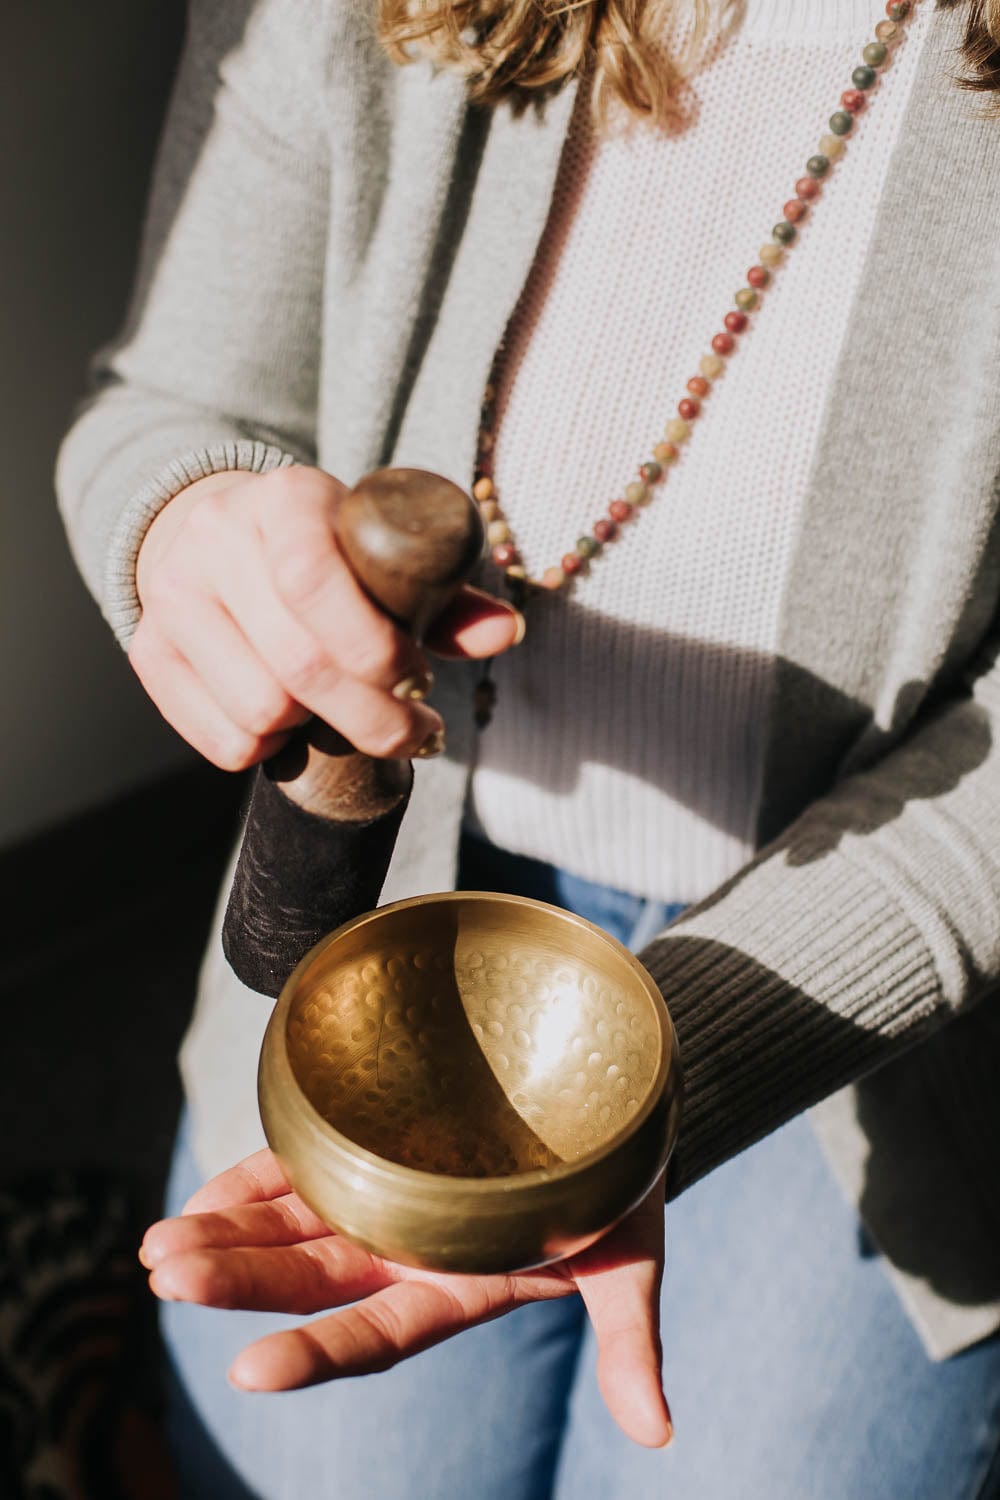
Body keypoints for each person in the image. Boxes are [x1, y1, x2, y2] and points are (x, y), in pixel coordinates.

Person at [57, 0, 1000, 1495]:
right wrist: (181, 522)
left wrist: (692, 1056)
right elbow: (176, 398)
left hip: (873, 1004)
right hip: (400, 922)